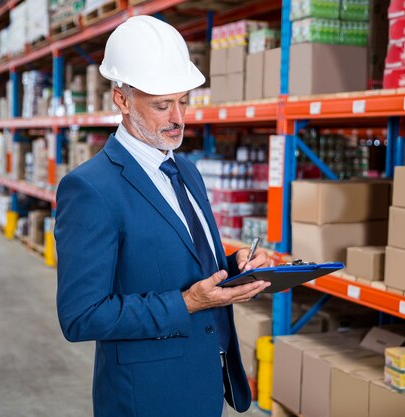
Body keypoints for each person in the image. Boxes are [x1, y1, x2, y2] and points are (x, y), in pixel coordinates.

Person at [55, 15, 271, 417]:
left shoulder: (185, 170)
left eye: (183, 101)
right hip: (147, 397)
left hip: (205, 381)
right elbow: (81, 317)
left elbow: (179, 263)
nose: (178, 118)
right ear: (121, 99)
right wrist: (186, 303)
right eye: (161, 105)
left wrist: (234, 266)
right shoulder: (90, 189)